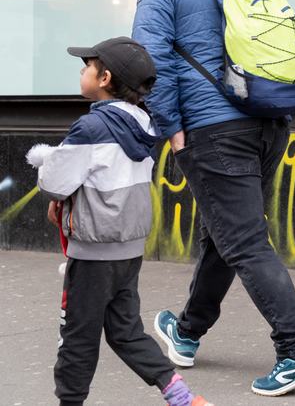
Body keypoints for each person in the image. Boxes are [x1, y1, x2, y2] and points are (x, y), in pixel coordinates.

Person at [133, 0, 295, 397]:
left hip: (210, 131)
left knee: (242, 240)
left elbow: (148, 59)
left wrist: (171, 129)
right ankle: (187, 332)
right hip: (267, 124)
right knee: (226, 233)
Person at [29, 37, 211, 406]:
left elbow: (55, 182)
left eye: (87, 66)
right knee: (125, 331)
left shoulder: (90, 129)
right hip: (127, 249)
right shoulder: (145, 125)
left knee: (77, 336)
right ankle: (181, 396)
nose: (82, 71)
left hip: (93, 250)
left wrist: (48, 166)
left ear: (105, 77)